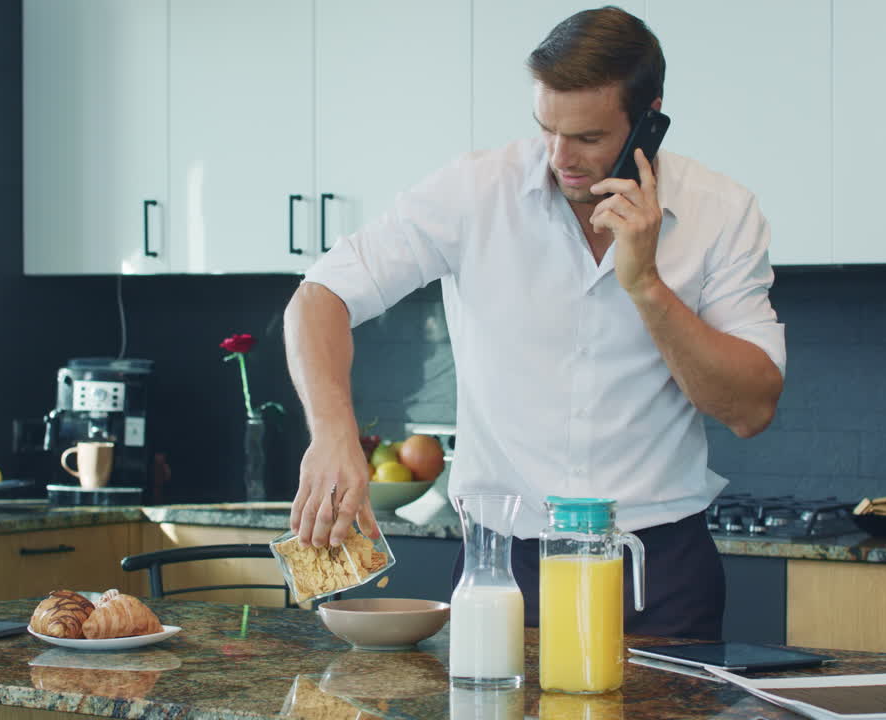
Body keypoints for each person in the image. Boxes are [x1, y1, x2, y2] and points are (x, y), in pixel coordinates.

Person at [283, 6, 784, 641]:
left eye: (589, 137)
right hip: (502, 569)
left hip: (657, 570)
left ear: (649, 121)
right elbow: (320, 294)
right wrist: (331, 432)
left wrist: (646, 285)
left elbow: (751, 408)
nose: (560, 158)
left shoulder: (723, 214)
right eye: (547, 129)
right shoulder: (473, 192)